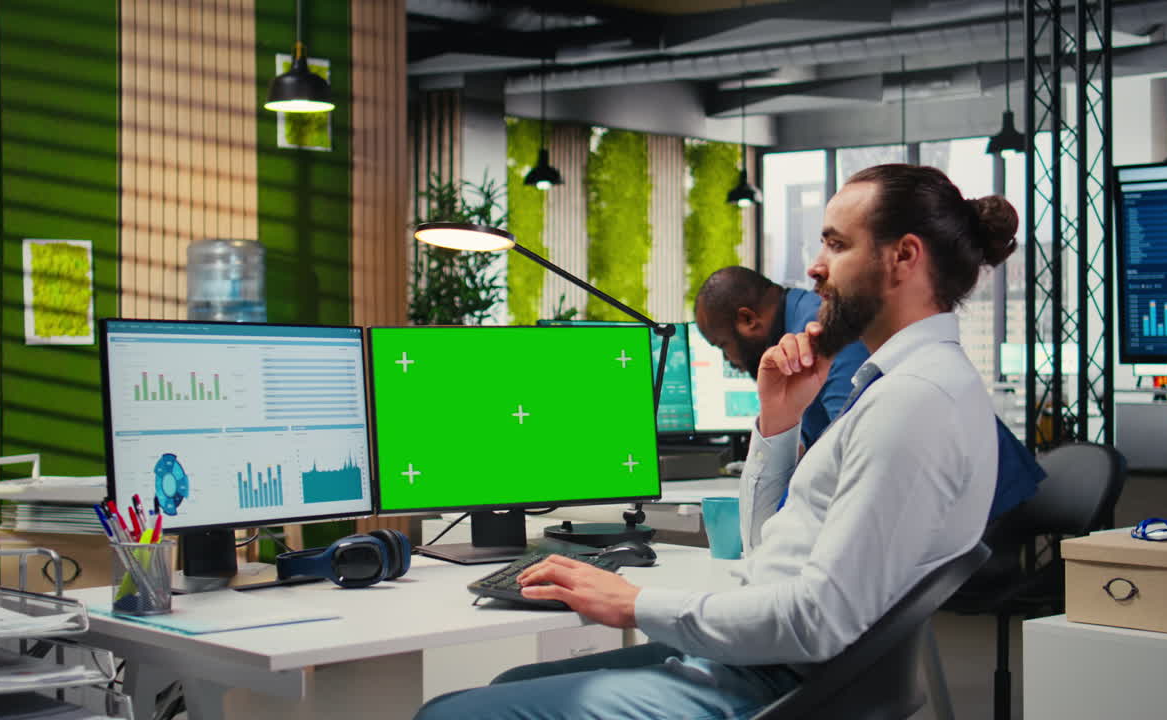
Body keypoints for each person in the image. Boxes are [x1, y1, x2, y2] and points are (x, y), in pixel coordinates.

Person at [414, 164, 1018, 720]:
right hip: (769, 665)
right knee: (505, 685)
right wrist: (778, 424)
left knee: (448, 715)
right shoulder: (914, 386)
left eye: (835, 244)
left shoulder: (912, 403)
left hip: (775, 683)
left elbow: (816, 620)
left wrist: (632, 602)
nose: (814, 267)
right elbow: (766, 558)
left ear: (903, 258)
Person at [694, 267, 869, 551]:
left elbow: (854, 462)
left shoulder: (821, 332)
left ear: (748, 319)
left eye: (723, 345)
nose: (728, 360)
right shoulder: (793, 337)